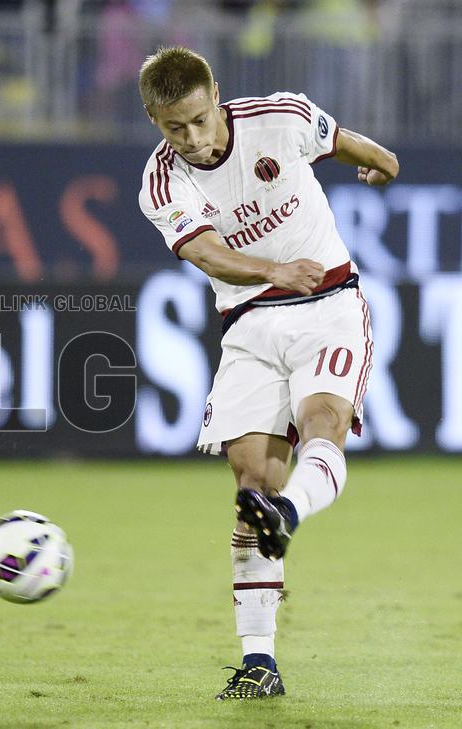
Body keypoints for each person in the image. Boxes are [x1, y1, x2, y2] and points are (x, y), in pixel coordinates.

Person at [136, 47, 397, 700]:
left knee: (322, 425)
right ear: (154, 121)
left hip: (331, 306)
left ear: (215, 95)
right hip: (249, 327)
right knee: (250, 482)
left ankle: (291, 509)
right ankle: (260, 662)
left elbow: (336, 140)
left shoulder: (277, 118)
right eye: (174, 128)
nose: (191, 139)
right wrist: (274, 271)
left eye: (198, 120)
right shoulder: (161, 181)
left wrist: (380, 160)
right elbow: (204, 251)